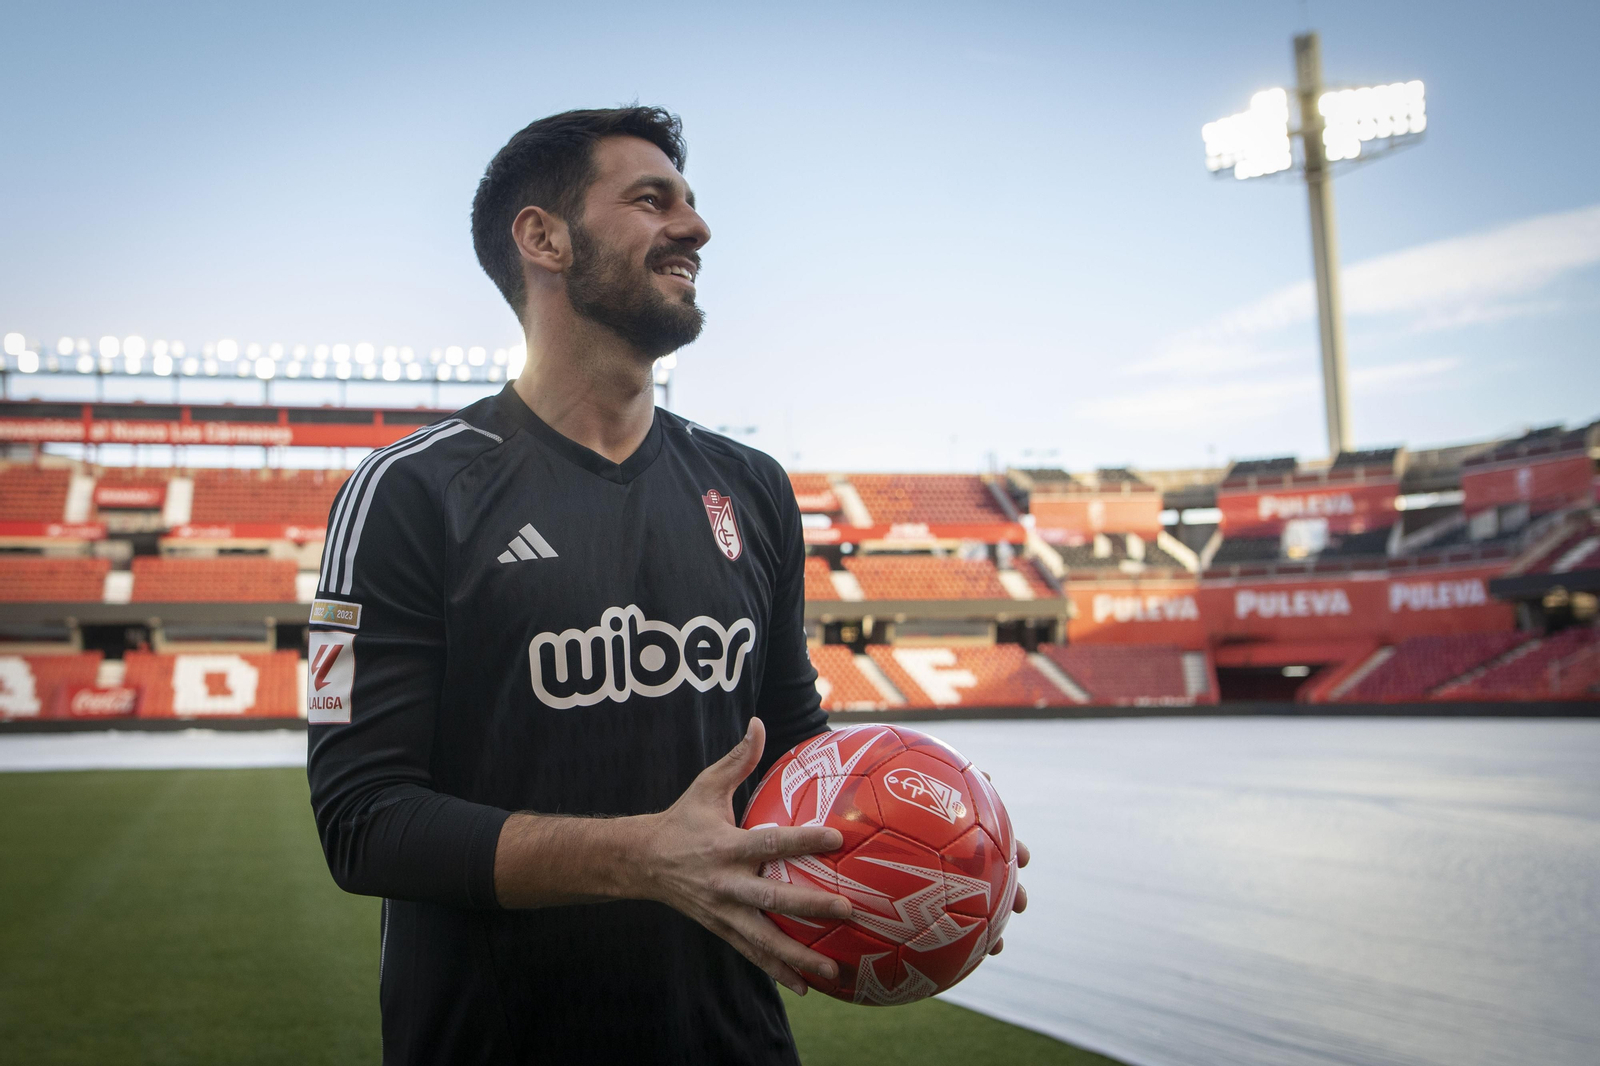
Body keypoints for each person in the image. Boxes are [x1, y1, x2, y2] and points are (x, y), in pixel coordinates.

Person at [305, 106, 1025, 1065]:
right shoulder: (409, 492)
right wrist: (640, 860)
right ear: (543, 237)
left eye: (691, 201)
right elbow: (364, 821)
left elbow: (790, 748)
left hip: (733, 1040)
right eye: (653, 200)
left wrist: (933, 841)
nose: (696, 227)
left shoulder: (754, 489)